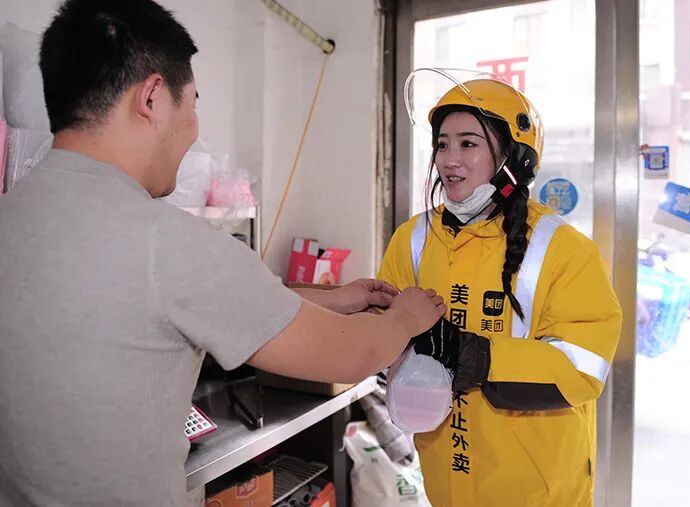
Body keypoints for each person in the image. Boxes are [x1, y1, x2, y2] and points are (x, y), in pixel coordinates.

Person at [0, 1, 446, 505]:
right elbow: (353, 353)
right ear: (152, 97)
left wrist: (330, 298)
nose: (194, 127)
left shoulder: (14, 217)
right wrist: (406, 317)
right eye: (192, 102)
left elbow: (159, 305)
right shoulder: (170, 241)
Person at [378, 74, 622, 506]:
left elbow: (584, 367)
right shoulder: (412, 238)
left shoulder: (562, 248)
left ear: (515, 158)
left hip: (539, 492)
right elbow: (386, 338)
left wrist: (474, 355)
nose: (449, 160)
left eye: (468, 144)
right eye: (442, 145)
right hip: (446, 482)